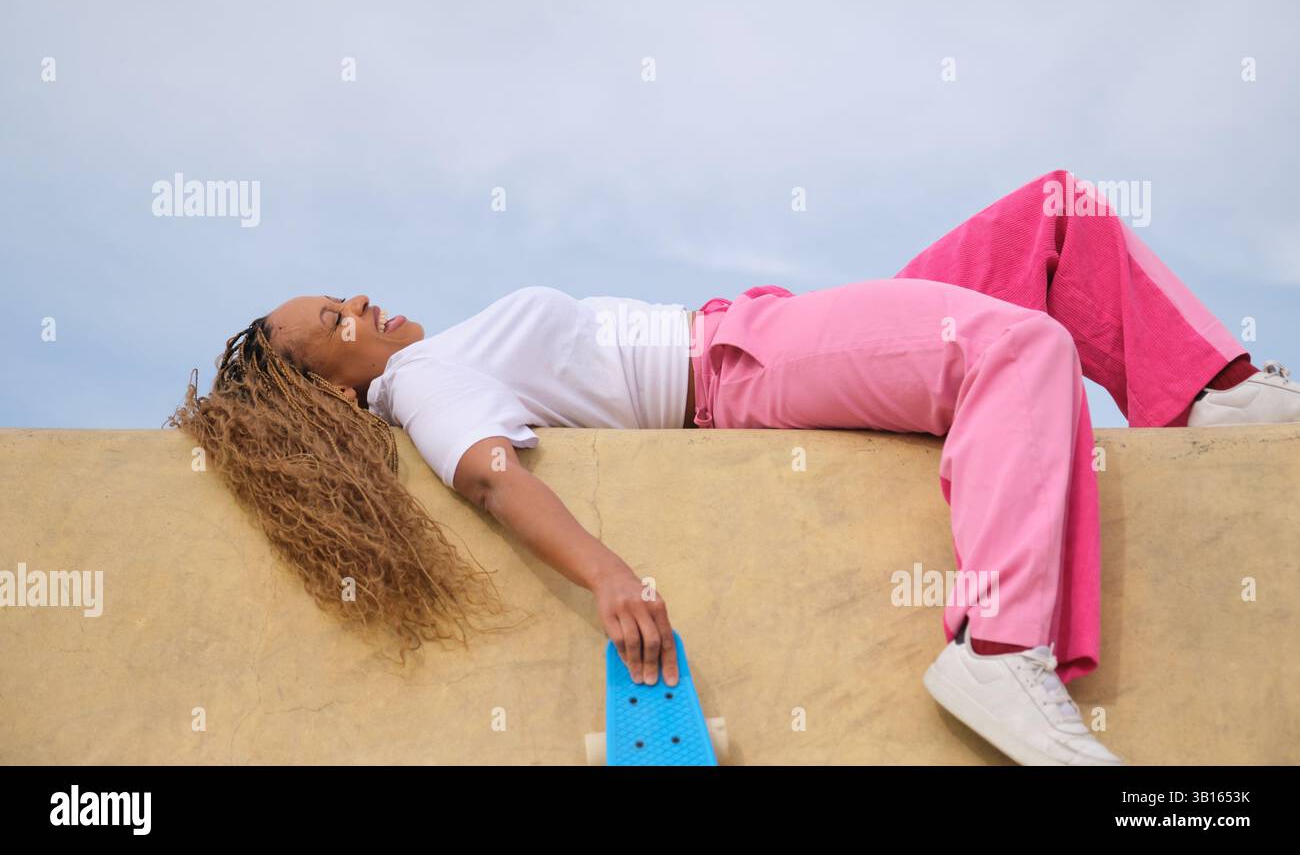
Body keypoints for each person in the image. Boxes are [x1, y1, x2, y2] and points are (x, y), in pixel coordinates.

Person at [171, 170, 1297, 765]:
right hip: (742, 369)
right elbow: (489, 477)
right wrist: (609, 575)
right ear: (334, 383)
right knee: (1017, 344)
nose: (361, 301)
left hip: (768, 325)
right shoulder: (420, 385)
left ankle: (1218, 393)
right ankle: (998, 648)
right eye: (337, 319)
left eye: (343, 292)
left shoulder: (441, 349)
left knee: (1051, 212)